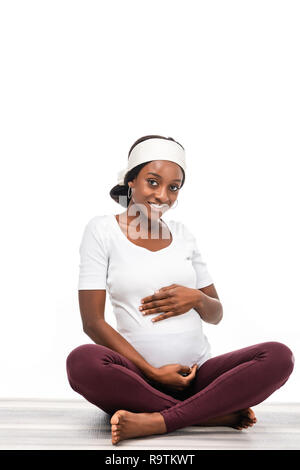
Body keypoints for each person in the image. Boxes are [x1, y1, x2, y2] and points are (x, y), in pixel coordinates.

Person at [66, 134, 295, 445]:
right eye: (153, 182)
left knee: (279, 356)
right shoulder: (102, 230)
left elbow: (216, 314)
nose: (163, 195)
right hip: (135, 378)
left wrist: (198, 298)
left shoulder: (184, 235)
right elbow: (92, 322)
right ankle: (209, 414)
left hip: (198, 375)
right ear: (131, 181)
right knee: (82, 362)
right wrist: (151, 371)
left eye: (173, 187)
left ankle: (158, 420)